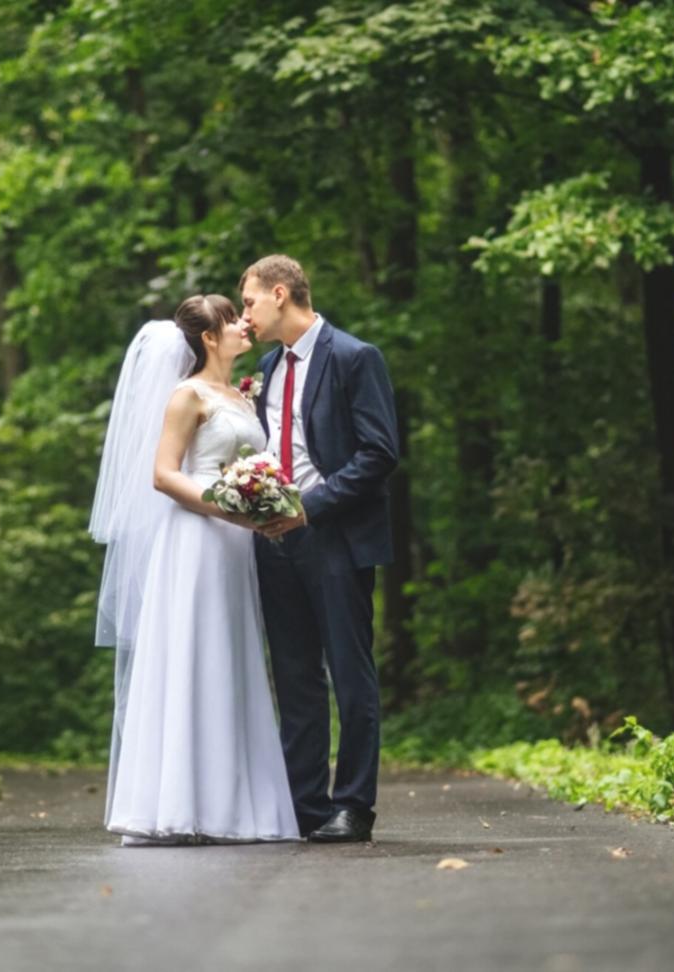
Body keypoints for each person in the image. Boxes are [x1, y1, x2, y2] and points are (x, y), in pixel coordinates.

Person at [91, 294, 299, 845]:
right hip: (196, 542)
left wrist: (258, 509)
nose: (243, 325)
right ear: (210, 337)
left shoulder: (240, 393)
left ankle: (232, 807)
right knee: (194, 656)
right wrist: (231, 506)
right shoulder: (187, 395)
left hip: (235, 544)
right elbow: (163, 475)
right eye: (233, 319)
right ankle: (177, 806)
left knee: (229, 659)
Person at [241, 255, 399, 843]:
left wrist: (312, 507)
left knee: (351, 676)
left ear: (281, 294)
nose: (246, 315)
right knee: (295, 676)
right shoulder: (265, 367)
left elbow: (379, 453)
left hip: (335, 535)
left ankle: (354, 806)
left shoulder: (355, 358)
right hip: (274, 542)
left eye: (251, 301)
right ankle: (305, 807)